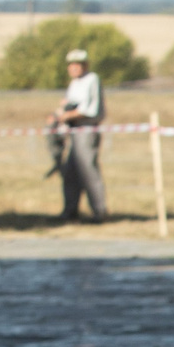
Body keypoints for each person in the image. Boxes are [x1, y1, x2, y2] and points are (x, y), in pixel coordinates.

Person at [48, 49, 107, 221]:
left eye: (78, 64)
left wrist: (66, 115)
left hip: (87, 129)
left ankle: (99, 211)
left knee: (88, 170)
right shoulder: (74, 83)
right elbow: (68, 106)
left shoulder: (92, 79)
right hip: (73, 131)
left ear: (85, 65)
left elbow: (89, 109)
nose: (74, 68)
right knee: (71, 172)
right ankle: (70, 211)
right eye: (71, 65)